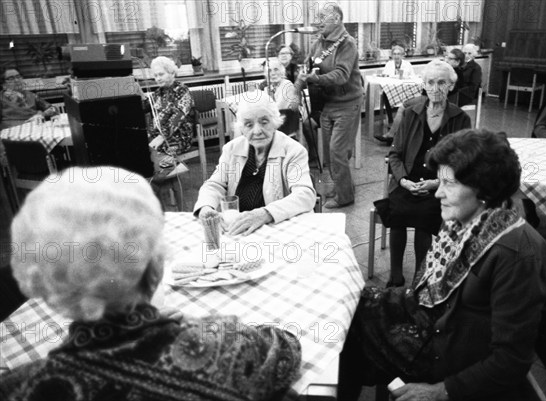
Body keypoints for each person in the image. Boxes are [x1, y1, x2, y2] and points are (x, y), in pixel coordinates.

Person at [0, 165, 302, 400]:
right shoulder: (227, 348)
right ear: (156, 265)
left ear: (47, 288)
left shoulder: (19, 388)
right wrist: (201, 327)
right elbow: (285, 348)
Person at [340, 129, 546, 401]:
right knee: (343, 309)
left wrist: (440, 391)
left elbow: (511, 360)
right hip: (431, 323)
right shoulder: (468, 220)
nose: (438, 194)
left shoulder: (517, 256)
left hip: (444, 354)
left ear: (484, 188)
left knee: (346, 340)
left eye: (450, 184)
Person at [376, 59, 471, 288]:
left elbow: (463, 163)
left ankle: (421, 275)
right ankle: (396, 275)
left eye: (441, 83)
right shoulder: (410, 114)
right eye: (430, 82)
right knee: (396, 213)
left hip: (440, 184)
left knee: (425, 217)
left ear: (450, 86)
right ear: (424, 85)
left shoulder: (460, 118)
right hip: (408, 178)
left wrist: (436, 183)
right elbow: (395, 154)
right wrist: (403, 181)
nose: (435, 88)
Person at [193, 91, 316, 236]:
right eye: (248, 124)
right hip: (239, 230)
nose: (257, 131)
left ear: (275, 121)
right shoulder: (231, 149)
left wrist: (265, 213)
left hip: (279, 231)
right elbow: (214, 184)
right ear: (241, 128)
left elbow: (305, 194)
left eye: (264, 122)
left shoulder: (293, 151)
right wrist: (206, 207)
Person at [297, 4, 364, 208]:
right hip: (326, 103)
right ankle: (341, 186)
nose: (317, 22)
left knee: (337, 151)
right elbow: (307, 67)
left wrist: (315, 79)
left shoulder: (348, 44)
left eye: (322, 18)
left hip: (347, 104)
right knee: (330, 151)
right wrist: (297, 85)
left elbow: (342, 75)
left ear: (336, 19)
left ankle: (345, 196)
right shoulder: (318, 43)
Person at [146, 56, 194, 155]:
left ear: (172, 73)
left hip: (179, 137)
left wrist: (161, 137)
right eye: (155, 76)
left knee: (155, 153)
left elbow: (177, 117)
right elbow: (145, 106)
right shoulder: (158, 92)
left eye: (161, 74)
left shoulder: (182, 90)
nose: (158, 79)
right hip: (156, 135)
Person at [375, 45, 417, 144]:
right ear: (392, 55)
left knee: (409, 97)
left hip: (404, 88)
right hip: (392, 87)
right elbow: (385, 77)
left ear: (402, 55)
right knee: (385, 94)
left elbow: (413, 76)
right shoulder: (389, 64)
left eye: (398, 54)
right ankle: (390, 120)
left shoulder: (408, 64)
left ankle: (401, 122)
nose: (396, 56)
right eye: (394, 54)